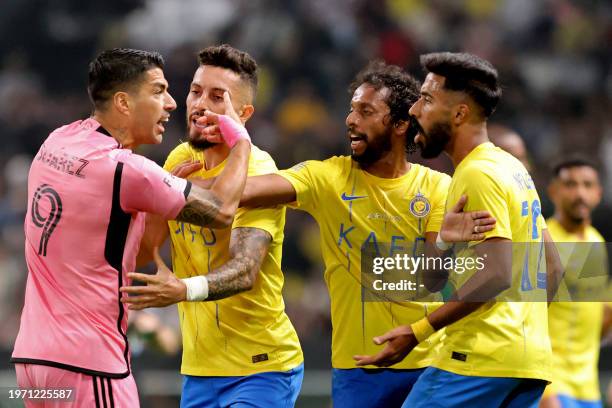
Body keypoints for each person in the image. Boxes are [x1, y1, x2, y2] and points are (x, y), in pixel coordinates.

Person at [180, 60, 494, 407]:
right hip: (355, 370)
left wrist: (443, 244)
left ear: (401, 124)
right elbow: (239, 191)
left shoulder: (436, 188)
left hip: (427, 362)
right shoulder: (327, 178)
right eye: (351, 109)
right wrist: (167, 185)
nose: (350, 120)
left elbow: (434, 278)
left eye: (366, 111)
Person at [11, 48, 251, 407]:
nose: (171, 103)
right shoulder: (127, 170)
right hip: (90, 365)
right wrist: (242, 141)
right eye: (158, 91)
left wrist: (158, 207)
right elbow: (221, 211)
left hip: (33, 365)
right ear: (123, 103)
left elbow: (124, 259)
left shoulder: (56, 142)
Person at [355, 52, 564, 407]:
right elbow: (554, 267)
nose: (414, 111)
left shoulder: (476, 173)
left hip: (476, 359)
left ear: (459, 113)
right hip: (527, 362)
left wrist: (418, 331)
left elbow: (496, 274)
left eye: (426, 99)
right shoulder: (512, 169)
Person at [120, 45, 304, 408]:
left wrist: (182, 290)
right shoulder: (181, 158)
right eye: (195, 91)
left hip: (262, 367)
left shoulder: (260, 172)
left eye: (217, 96)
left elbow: (245, 270)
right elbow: (145, 251)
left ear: (244, 113)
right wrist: (161, 198)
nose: (199, 103)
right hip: (200, 370)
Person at [540, 158, 611, 408]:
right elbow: (522, 318)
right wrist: (544, 392)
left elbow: (601, 316)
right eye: (570, 184)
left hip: (588, 387)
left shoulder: (596, 242)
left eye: (587, 185)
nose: (579, 193)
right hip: (551, 382)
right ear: (553, 192)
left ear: (598, 193)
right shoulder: (542, 241)